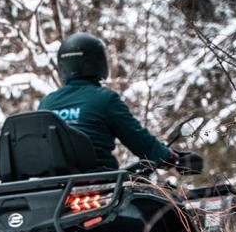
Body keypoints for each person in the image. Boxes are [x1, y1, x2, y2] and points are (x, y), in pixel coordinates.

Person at [38, 33, 176, 170]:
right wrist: (169, 158)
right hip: (100, 184)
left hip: (54, 188)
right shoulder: (105, 99)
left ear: (62, 66)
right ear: (97, 62)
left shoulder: (46, 103)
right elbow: (140, 141)